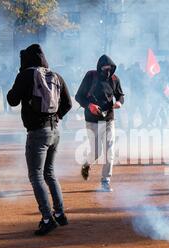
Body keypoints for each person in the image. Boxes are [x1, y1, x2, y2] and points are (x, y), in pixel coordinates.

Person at [7, 44, 72, 236]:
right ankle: (59, 214)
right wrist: (56, 117)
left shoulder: (26, 74)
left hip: (37, 133)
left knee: (36, 176)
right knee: (49, 174)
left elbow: (12, 100)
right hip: (55, 132)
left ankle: (47, 219)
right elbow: (68, 103)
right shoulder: (56, 76)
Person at [75, 55, 125, 192]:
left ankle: (105, 181)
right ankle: (87, 164)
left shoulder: (114, 79)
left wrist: (119, 102)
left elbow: (120, 95)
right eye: (105, 69)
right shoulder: (91, 76)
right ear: (99, 67)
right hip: (92, 120)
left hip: (109, 119)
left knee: (110, 151)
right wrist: (89, 105)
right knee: (96, 152)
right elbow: (79, 96)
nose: (107, 72)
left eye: (110, 69)